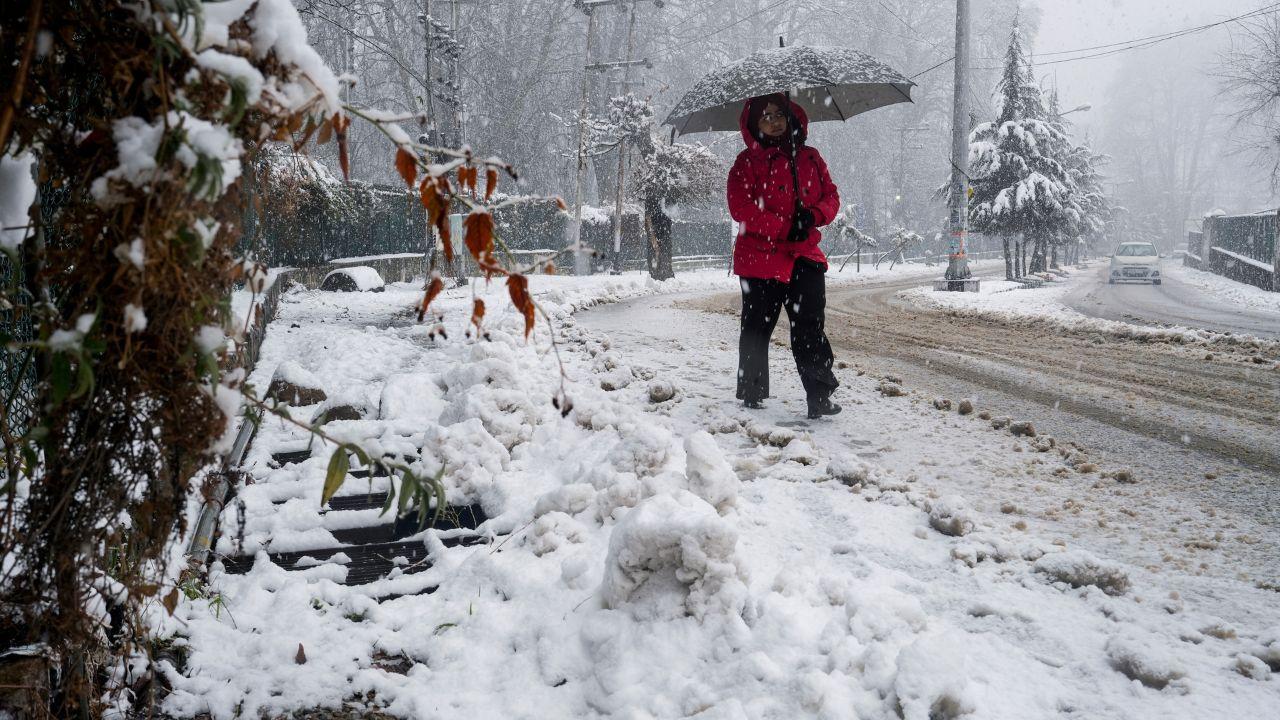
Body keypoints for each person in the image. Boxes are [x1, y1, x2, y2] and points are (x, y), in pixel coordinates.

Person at [726, 93, 841, 420]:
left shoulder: (809, 157)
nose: (774, 121)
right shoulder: (745, 164)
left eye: (779, 113)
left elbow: (831, 196)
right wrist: (782, 227)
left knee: (809, 327)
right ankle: (752, 389)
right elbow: (741, 208)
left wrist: (814, 215)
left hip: (804, 254)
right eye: (766, 116)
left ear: (791, 116)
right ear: (753, 124)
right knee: (757, 328)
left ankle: (818, 393)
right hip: (760, 259)